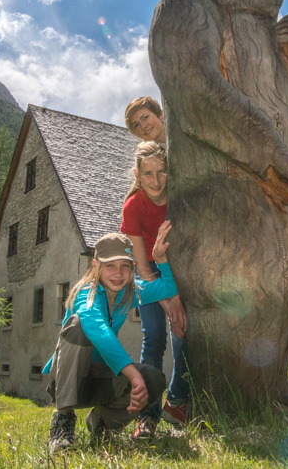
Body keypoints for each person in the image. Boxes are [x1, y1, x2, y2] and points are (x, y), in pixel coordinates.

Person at [45, 226, 176, 453]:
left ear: (133, 267)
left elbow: (168, 288)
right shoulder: (86, 292)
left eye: (125, 265)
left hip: (101, 379)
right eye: (110, 266)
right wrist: (133, 374)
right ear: (96, 266)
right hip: (70, 380)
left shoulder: (130, 292)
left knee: (154, 379)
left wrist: (160, 260)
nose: (118, 273)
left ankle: (102, 422)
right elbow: (95, 327)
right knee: (77, 324)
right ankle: (62, 423)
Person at [119, 141, 190, 436]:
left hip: (177, 266)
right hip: (148, 272)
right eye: (148, 173)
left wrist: (177, 299)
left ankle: (176, 402)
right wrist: (169, 303)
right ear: (137, 174)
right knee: (155, 336)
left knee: (183, 332)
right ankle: (147, 416)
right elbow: (144, 268)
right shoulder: (133, 206)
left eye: (162, 172)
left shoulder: (177, 198)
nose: (156, 181)